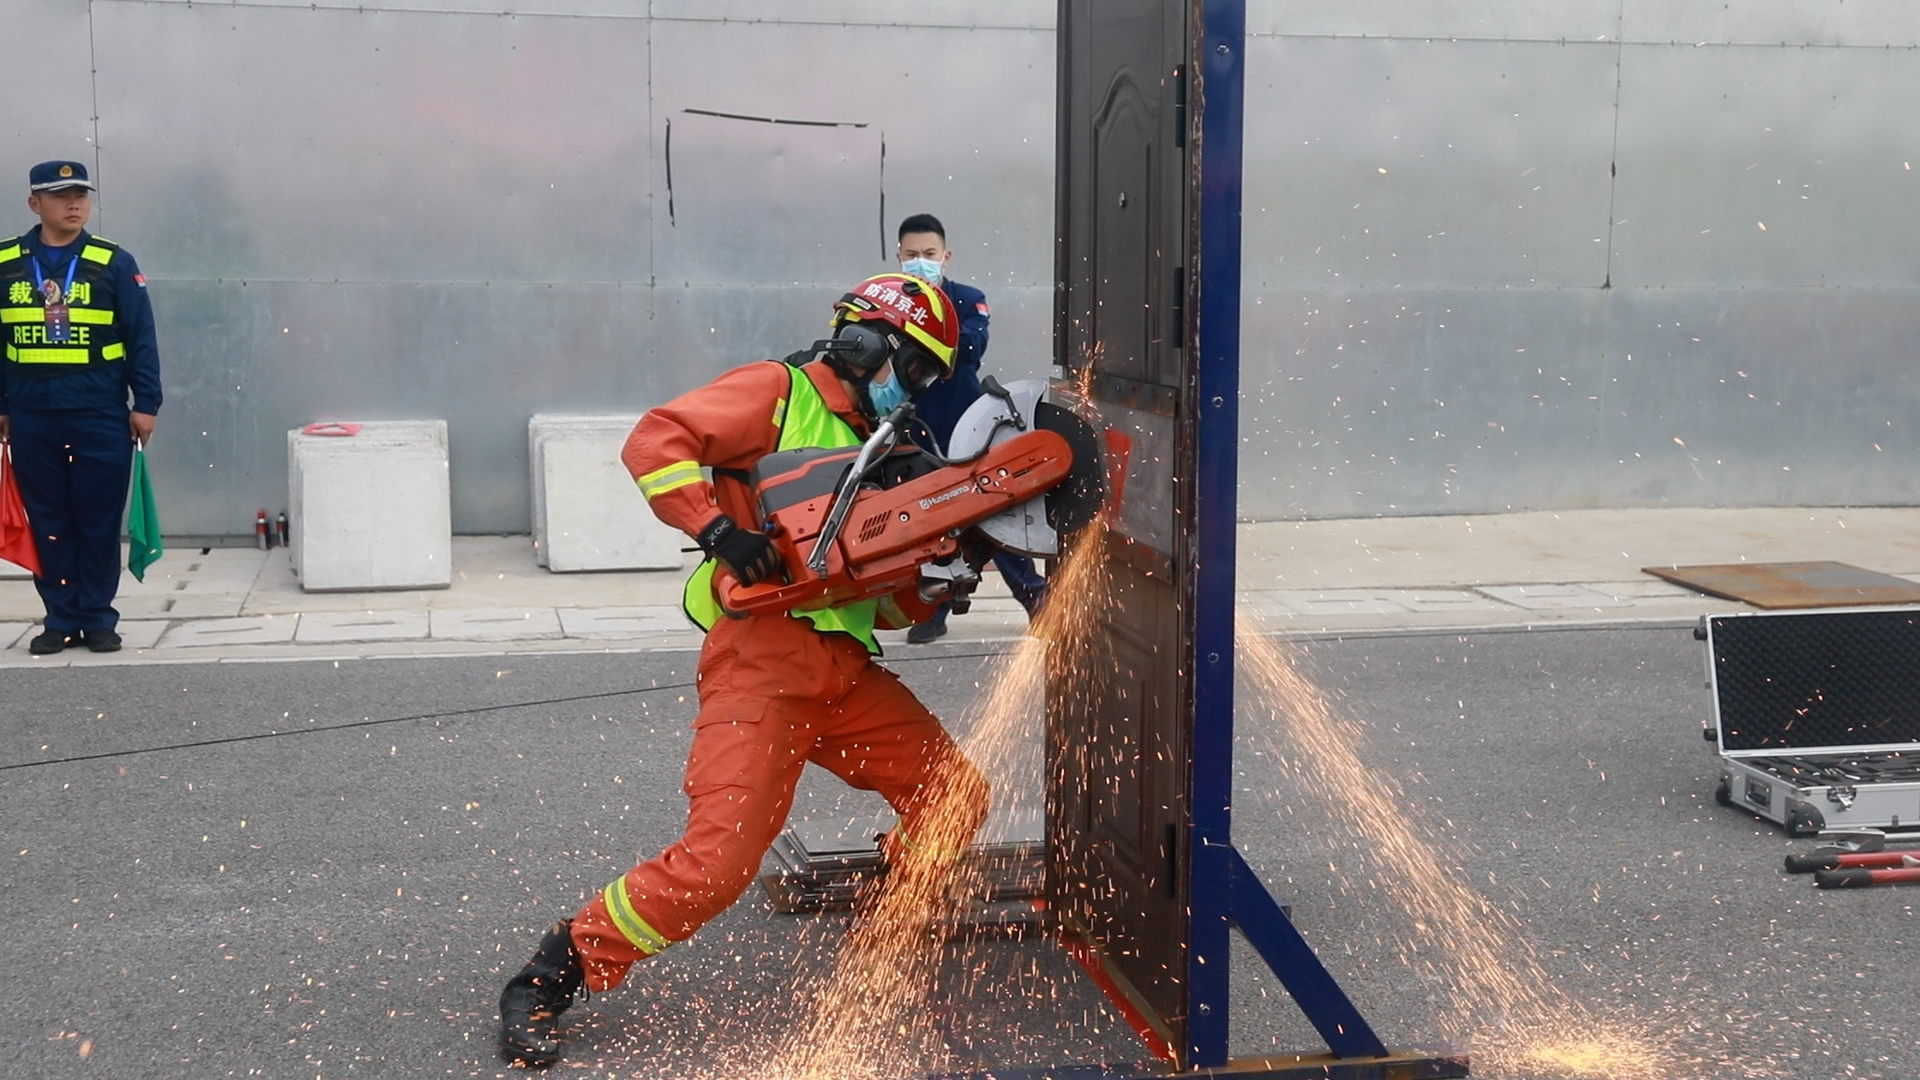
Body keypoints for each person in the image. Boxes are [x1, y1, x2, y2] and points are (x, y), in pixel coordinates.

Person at [497, 272, 992, 1068]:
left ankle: (894, 918)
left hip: (842, 671)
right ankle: (556, 969)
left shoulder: (890, 450)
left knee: (954, 796)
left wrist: (933, 592)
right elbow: (655, 440)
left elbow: (884, 608)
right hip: (759, 663)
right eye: (918, 367)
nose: (921, 388)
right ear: (869, 342)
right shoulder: (778, 390)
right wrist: (718, 529)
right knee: (717, 867)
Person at [0, 161, 161, 654]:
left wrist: (146, 402)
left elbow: (141, 337)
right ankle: (58, 618)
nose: (74, 205)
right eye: (60, 196)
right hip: (31, 414)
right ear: (35, 204)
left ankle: (97, 618)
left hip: (99, 411)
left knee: (96, 517)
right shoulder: (7, 263)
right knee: (49, 520)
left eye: (81, 196)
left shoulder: (112, 261)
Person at [893, 213, 1046, 644]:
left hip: (969, 425)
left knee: (994, 513)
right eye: (911, 255)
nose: (920, 262)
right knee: (931, 522)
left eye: (928, 254)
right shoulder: (889, 301)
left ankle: (1036, 599)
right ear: (897, 256)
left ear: (946, 256)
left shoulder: (967, 298)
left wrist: (929, 311)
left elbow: (970, 349)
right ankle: (935, 608)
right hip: (916, 427)